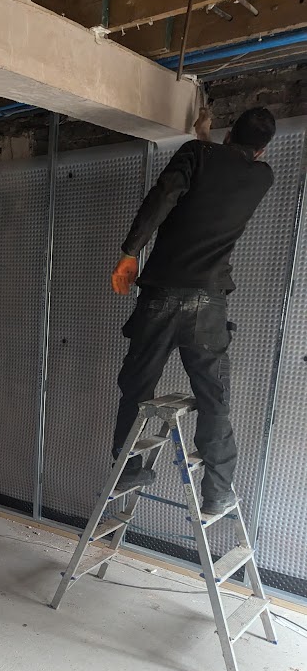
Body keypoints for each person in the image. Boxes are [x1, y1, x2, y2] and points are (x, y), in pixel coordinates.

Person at [110, 106, 276, 516]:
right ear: (263, 148)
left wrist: (130, 252)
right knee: (214, 397)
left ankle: (127, 469)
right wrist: (205, 137)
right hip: (209, 302)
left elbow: (164, 195)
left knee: (138, 384)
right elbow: (223, 165)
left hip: (161, 295)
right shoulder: (261, 175)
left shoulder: (196, 155)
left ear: (228, 133)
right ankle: (218, 490)